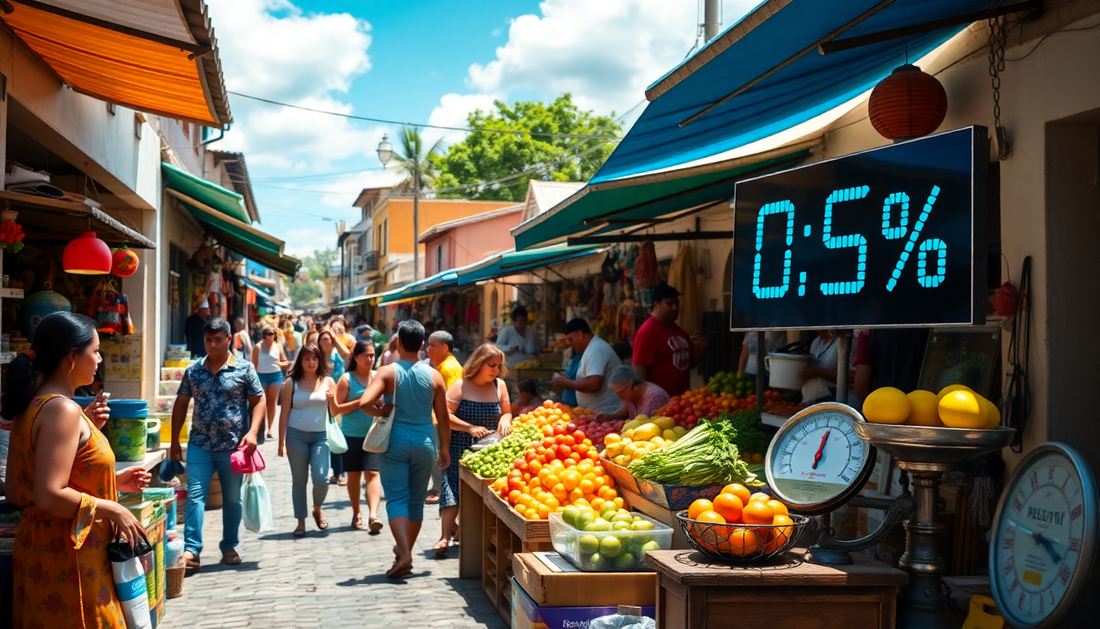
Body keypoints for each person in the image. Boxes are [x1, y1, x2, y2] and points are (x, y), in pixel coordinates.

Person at [2, 312, 150, 628]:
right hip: (71, 556)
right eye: (94, 350)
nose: (99, 359)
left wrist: (115, 482)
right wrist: (112, 509)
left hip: (38, 551)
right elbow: (48, 494)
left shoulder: (32, 406)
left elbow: (17, 490)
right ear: (71, 356)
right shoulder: (62, 409)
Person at [357, 320, 451, 579]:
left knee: (397, 499)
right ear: (422, 344)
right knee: (415, 502)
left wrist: (380, 409)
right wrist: (445, 449)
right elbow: (443, 418)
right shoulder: (434, 375)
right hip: (425, 443)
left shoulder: (388, 372)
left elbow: (364, 403)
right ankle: (404, 551)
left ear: (397, 341)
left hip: (395, 442)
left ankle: (405, 553)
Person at [171, 317, 265, 570]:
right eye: (208, 340)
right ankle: (192, 550)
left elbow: (259, 401)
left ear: (229, 339)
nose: (213, 344)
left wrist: (253, 432)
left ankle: (229, 545)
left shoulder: (244, 369)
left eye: (218, 340)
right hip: (199, 444)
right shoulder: (193, 370)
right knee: (195, 497)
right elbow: (181, 404)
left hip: (233, 448)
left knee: (232, 500)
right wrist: (173, 442)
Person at [435, 344, 512, 556]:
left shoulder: (500, 386)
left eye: (499, 366)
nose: (496, 369)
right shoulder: (460, 385)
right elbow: (445, 417)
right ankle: (444, 538)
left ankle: (475, 537)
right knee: (452, 491)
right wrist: (469, 427)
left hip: (489, 452)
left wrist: (505, 421)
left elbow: (507, 412)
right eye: (492, 365)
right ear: (478, 363)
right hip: (459, 446)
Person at [277, 343, 339, 536]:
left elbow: (337, 413)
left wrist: (332, 401)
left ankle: (317, 508)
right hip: (296, 436)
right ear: (300, 361)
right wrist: (281, 442)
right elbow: (284, 414)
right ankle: (301, 522)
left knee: (322, 479)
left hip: (321, 437)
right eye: (307, 359)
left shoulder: (328, 382)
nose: (311, 362)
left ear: (320, 360)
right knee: (299, 481)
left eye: (315, 358)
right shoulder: (290, 383)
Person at [330, 341, 384, 532]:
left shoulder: (378, 377)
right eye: (366, 356)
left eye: (373, 355)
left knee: (373, 473)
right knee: (354, 475)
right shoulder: (347, 379)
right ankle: (356, 512)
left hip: (374, 434)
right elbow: (337, 409)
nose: (371, 359)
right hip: (351, 434)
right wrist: (363, 401)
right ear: (356, 357)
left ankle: (373, 515)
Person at [631, 284, 705, 397]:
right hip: (661, 404)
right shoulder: (647, 332)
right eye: (669, 304)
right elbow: (639, 367)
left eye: (677, 303)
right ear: (656, 305)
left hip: (683, 400)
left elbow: (691, 363)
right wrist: (648, 396)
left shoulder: (679, 330)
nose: (675, 308)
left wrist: (699, 349)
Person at [425, 330, 463, 504]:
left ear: (445, 347)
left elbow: (449, 401)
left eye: (432, 345)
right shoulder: (443, 366)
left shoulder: (448, 368)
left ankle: (440, 490)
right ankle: (438, 488)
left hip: (441, 419)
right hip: (438, 418)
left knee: (438, 453)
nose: (428, 349)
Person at [552, 318, 622, 413]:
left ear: (580, 334)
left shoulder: (595, 349)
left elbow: (594, 384)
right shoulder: (592, 348)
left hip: (605, 411)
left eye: (570, 340)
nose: (570, 344)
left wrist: (567, 383)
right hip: (596, 411)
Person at [318, 329, 351, 486]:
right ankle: (335, 471)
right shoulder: (316, 358)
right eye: (324, 338)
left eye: (329, 338)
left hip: (339, 398)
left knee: (339, 433)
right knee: (328, 435)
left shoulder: (338, 356)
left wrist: (334, 337)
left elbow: (347, 354)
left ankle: (343, 472)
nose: (327, 341)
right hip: (320, 399)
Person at [252, 326, 291, 440]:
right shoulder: (258, 347)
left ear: (274, 335)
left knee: (272, 403)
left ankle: (270, 429)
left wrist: (280, 364)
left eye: (270, 333)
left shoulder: (278, 346)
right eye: (266, 334)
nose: (268, 336)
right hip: (261, 376)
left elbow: (285, 361)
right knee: (262, 402)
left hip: (275, 376)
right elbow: (254, 365)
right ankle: (261, 428)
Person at [801, 330, 857, 404]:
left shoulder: (846, 341)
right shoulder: (816, 342)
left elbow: (855, 375)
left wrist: (819, 372)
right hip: (818, 396)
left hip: (842, 397)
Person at [597, 365, 671, 421]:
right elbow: (625, 408)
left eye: (620, 393)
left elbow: (652, 427)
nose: (618, 396)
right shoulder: (632, 395)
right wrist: (610, 416)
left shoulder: (655, 397)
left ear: (631, 386)